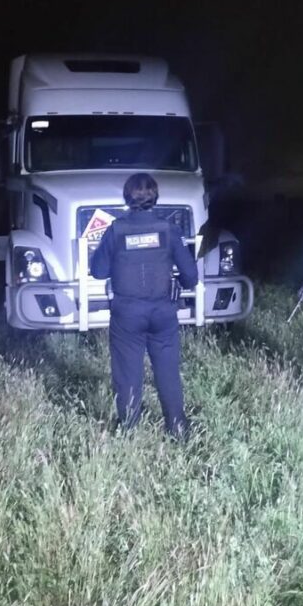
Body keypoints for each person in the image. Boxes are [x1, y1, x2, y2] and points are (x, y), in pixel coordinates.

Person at [89, 173, 199, 437]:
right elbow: (191, 276)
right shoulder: (169, 230)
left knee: (128, 374)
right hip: (163, 312)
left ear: (127, 198)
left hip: (127, 314)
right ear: (155, 197)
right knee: (168, 372)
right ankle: (178, 428)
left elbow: (98, 271)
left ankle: (129, 431)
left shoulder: (115, 230)